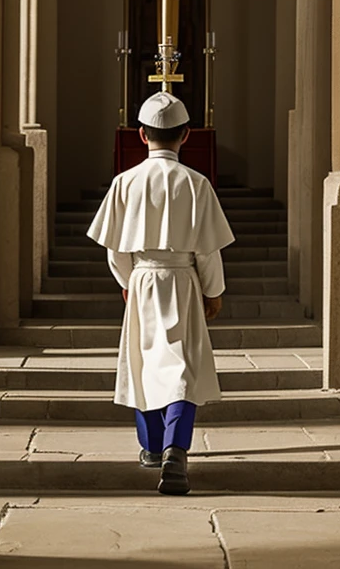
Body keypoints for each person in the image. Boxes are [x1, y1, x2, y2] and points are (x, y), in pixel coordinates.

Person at [87, 92, 235, 495]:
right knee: (182, 367)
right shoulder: (197, 184)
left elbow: (115, 249)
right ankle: (175, 450)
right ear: (186, 135)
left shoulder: (125, 182)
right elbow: (207, 249)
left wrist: (126, 281)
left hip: (142, 280)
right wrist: (213, 290)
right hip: (183, 281)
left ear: (140, 134)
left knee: (144, 362)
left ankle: (153, 448)